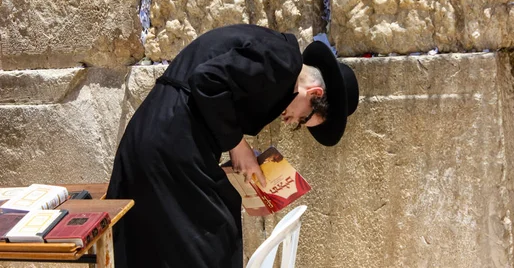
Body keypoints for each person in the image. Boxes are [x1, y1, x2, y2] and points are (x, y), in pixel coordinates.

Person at [106, 24, 359, 268]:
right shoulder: (282, 61)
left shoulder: (277, 56)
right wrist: (238, 146)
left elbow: (217, 95)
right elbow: (207, 80)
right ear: (314, 93)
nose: (293, 121)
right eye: (303, 119)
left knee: (164, 245)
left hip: (161, 134)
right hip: (168, 141)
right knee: (214, 239)